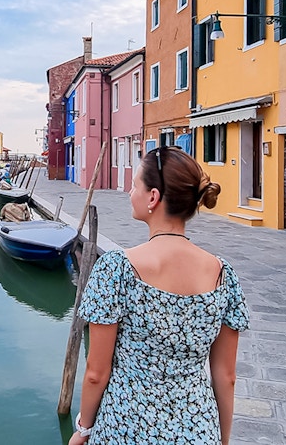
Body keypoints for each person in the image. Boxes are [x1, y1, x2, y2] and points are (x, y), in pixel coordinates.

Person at [69, 146, 249, 445]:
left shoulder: (117, 269)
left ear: (153, 197)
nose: (129, 191)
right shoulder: (222, 274)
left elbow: (96, 373)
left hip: (125, 428)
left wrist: (84, 429)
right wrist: (221, 439)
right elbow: (226, 376)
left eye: (135, 184)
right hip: (198, 430)